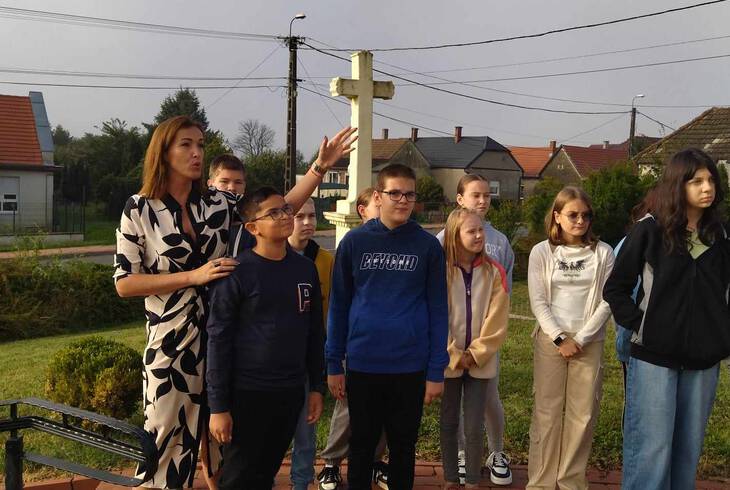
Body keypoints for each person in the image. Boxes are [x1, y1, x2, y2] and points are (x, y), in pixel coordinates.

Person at [114, 116, 356, 489]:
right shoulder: (138, 209)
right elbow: (125, 283)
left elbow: (274, 211)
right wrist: (193, 276)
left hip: (230, 346)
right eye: (186, 145)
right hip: (173, 349)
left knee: (229, 449)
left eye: (200, 144)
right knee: (165, 446)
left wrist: (320, 167)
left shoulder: (217, 203)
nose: (196, 153)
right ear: (162, 151)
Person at [603, 148, 730, 490]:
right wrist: (642, 324)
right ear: (678, 184)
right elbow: (615, 288)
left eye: (711, 180)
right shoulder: (649, 231)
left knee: (687, 451)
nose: (708, 187)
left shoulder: (721, 236)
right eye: (697, 181)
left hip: (703, 362)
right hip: (654, 359)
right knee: (652, 449)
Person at [326, 164, 449, 490]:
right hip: (364, 362)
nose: (403, 200)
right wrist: (333, 361)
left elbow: (438, 310)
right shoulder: (354, 243)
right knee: (362, 445)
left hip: (410, 366)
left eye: (409, 194)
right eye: (395, 193)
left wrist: (437, 370)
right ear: (378, 196)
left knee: (403, 447)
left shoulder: (427, 247)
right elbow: (338, 305)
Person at [206, 186, 326, 489]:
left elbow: (314, 333)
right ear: (252, 227)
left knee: (266, 472)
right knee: (239, 477)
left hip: (289, 390)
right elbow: (218, 342)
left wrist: (316, 388)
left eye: (285, 209)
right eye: (273, 213)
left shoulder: (305, 269)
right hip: (247, 393)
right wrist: (218, 407)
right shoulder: (236, 273)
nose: (285, 216)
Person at [526, 186, 615, 490]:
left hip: (588, 341)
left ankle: (571, 481)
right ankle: (541, 481)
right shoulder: (542, 251)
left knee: (583, 414)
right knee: (547, 412)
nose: (580, 221)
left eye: (586, 215)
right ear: (557, 216)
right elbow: (537, 301)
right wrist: (559, 338)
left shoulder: (603, 253)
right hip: (551, 340)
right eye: (573, 214)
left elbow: (608, 300)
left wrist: (583, 337)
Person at [436, 174, 514, 486]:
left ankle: (471, 480)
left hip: (480, 362)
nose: (479, 235)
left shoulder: (492, 272)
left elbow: (498, 319)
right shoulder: (441, 271)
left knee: (474, 424)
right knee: (449, 420)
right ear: (455, 235)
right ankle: (451, 478)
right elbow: (437, 314)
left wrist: (477, 353)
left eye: (481, 230)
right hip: (449, 360)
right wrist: (454, 352)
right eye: (472, 231)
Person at [318, 186, 389, 490]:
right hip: (355, 342)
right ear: (363, 210)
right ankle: (332, 462)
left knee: (384, 405)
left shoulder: (396, 241)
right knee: (348, 405)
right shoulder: (352, 244)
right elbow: (341, 301)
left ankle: (376, 460)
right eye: (377, 203)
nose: (384, 206)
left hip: (388, 344)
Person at [288, 198, 335, 490]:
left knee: (307, 431)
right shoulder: (271, 257)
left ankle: (301, 483)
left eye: (312, 216)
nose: (307, 222)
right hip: (277, 360)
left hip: (311, 356)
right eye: (300, 216)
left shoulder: (325, 261)